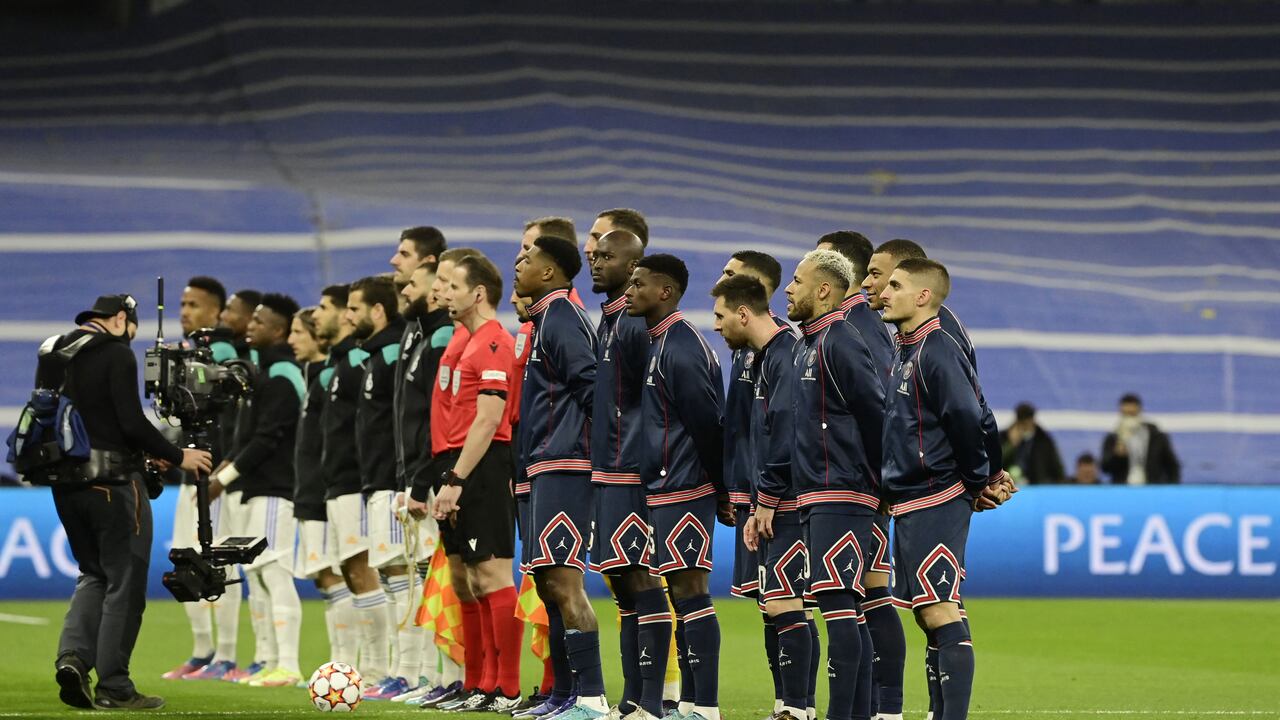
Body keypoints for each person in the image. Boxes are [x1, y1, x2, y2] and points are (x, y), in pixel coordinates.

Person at [862, 239, 1007, 720]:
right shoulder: (910, 347)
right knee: (931, 611)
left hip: (936, 493)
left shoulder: (936, 348)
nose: (883, 292)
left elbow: (972, 414)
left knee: (940, 609)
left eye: (896, 285)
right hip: (914, 494)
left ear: (923, 296)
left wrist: (976, 478)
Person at [46, 294, 213, 710]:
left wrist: (141, 449)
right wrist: (178, 456)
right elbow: (128, 419)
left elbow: (79, 419)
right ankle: (115, 687)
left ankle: (73, 657)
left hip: (65, 483)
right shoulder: (117, 355)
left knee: (93, 572)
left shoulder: (54, 351)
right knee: (124, 581)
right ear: (121, 319)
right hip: (113, 483)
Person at [783, 250, 886, 720]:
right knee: (845, 604)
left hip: (841, 489)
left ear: (824, 289)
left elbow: (875, 411)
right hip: (820, 489)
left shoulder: (840, 340)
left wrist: (876, 480)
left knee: (837, 600)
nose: (788, 289)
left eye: (797, 281)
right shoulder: (812, 341)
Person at [625, 253, 727, 720]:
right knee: (679, 591)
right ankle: (687, 702)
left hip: (686, 486)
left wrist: (721, 488)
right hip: (667, 485)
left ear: (664, 291)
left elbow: (708, 425)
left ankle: (705, 706)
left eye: (639, 283)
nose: (630, 290)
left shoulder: (682, 347)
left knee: (690, 590)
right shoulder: (660, 342)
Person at [714, 250, 814, 719]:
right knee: (772, 602)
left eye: (719, 312)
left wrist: (768, 498)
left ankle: (799, 707)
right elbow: (746, 429)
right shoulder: (756, 356)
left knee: (786, 601)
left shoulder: (784, 354)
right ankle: (789, 703)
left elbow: (786, 431)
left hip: (788, 498)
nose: (715, 325)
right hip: (765, 496)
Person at [514, 235, 606, 720]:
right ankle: (563, 695)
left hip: (567, 463)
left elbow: (590, 385)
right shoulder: (544, 318)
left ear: (548, 272)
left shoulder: (562, 318)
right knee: (548, 582)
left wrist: (595, 454)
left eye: (527, 259)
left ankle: (591, 699)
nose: (518, 265)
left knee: (566, 582)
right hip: (545, 462)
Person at [431, 253, 524, 711]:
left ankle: (505, 688)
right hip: (462, 463)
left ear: (479, 293)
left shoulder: (492, 342)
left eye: (453, 286)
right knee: (471, 574)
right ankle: (481, 684)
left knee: (492, 572)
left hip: (483, 465)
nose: (444, 292)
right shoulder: (468, 341)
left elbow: (488, 420)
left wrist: (456, 478)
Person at [208, 293, 306, 687]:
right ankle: (270, 659)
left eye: (260, 321)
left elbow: (268, 439)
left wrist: (224, 478)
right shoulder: (263, 373)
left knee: (274, 572)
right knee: (260, 575)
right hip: (257, 488)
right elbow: (248, 436)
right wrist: (226, 469)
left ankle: (288, 663)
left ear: (279, 330)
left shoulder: (282, 375)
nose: (251, 326)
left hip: (275, 488)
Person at [586, 228, 661, 720]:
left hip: (629, 470)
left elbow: (649, 400)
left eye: (608, 256)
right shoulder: (609, 320)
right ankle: (631, 698)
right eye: (593, 254)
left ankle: (650, 701)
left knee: (640, 579)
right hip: (608, 468)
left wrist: (640, 461)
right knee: (621, 582)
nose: (595, 261)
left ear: (632, 266)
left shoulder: (633, 326)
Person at [165, 275, 246, 682]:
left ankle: (226, 656)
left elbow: (237, 416)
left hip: (216, 475)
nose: (185, 312)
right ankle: (202, 650)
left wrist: (226, 469)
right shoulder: (186, 352)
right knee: (183, 554)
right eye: (182, 304)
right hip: (189, 468)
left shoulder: (225, 352)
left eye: (194, 305)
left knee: (220, 561)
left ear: (216, 312)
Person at [316, 283, 394, 685]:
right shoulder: (342, 364)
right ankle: (373, 666)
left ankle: (383, 668)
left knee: (369, 571)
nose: (344, 315)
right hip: (343, 481)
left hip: (360, 481)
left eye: (348, 308)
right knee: (353, 571)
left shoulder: (363, 362)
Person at [345, 275, 413, 698]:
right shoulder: (375, 354)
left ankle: (407, 671)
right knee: (390, 573)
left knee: (400, 571)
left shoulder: (391, 352)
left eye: (354, 308)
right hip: (376, 480)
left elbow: (403, 419)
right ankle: (396, 668)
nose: (347, 316)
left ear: (376, 311)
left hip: (392, 478)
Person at [393, 260, 456, 703]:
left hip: (438, 477)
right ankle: (435, 676)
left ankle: (453, 676)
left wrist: (420, 480)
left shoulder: (443, 337)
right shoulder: (419, 337)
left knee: (447, 577)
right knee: (427, 575)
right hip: (422, 475)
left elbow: (440, 420)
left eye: (412, 282)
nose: (403, 286)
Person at [287, 307, 358, 670]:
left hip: (327, 489)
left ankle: (348, 663)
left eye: (300, 331)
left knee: (337, 574)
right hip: (311, 490)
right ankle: (340, 660)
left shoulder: (334, 373)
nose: (292, 339)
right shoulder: (316, 377)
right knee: (325, 578)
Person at [816, 231, 893, 376]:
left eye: (817, 262)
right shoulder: (846, 319)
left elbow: (880, 391)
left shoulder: (859, 327)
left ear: (840, 271)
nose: (808, 269)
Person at [1101, 394, 1180, 485]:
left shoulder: (1157, 437)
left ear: (1139, 411)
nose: (1129, 419)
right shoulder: (1113, 438)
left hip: (1152, 489)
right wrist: (1117, 455)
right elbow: (1105, 468)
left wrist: (1171, 490)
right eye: (1126, 415)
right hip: (1123, 490)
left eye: (1132, 414)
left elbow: (1172, 466)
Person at [1001, 403, 1065, 485]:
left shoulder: (1043, 440)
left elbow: (1058, 469)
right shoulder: (1004, 437)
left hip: (1037, 489)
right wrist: (1011, 444)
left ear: (1032, 421)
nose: (1025, 428)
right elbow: (994, 464)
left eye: (1027, 424)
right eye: (1022, 424)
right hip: (1008, 487)